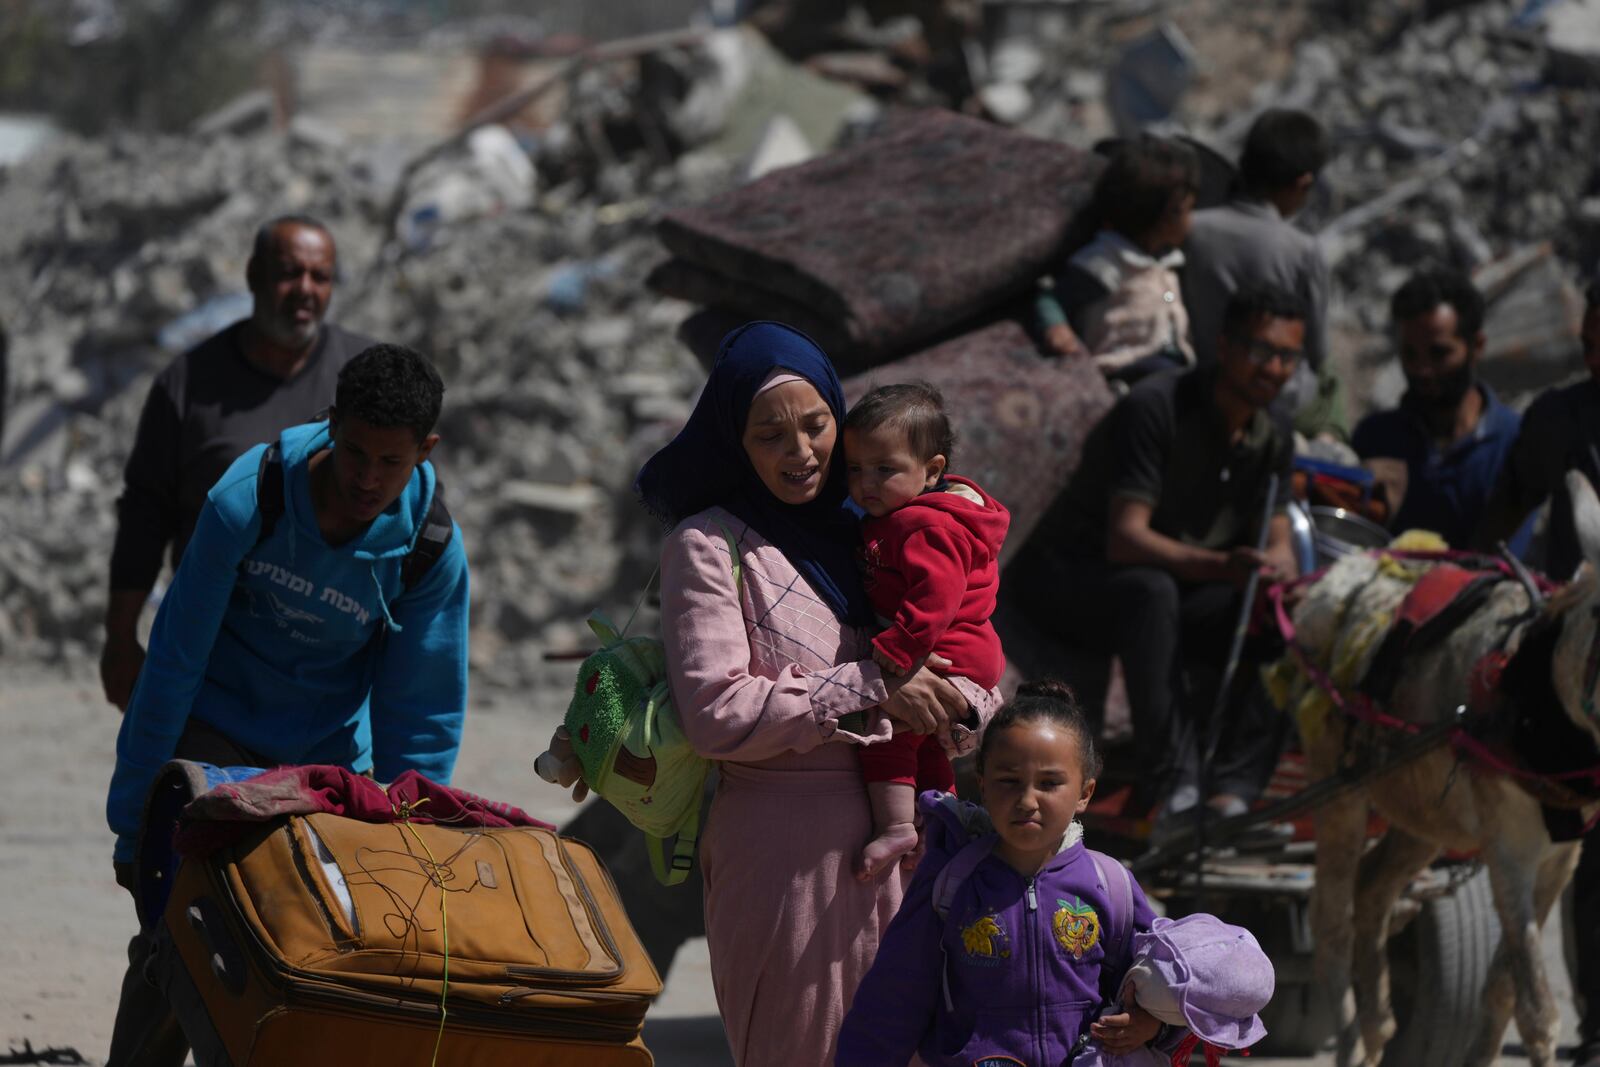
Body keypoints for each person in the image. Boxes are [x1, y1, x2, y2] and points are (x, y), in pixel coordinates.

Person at [543, 321, 1002, 1067]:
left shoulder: (884, 527)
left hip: (917, 844)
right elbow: (718, 715)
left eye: (817, 425)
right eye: (770, 435)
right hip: (789, 857)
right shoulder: (709, 545)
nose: (801, 453)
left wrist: (961, 706)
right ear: (736, 442)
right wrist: (876, 686)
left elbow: (975, 663)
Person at [103, 343, 470, 1067]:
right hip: (217, 733)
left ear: (425, 450)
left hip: (326, 757)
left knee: (310, 946)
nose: (367, 477)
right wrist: (132, 821)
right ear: (330, 423)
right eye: (354, 451)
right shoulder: (249, 499)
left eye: (389, 463)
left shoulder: (428, 550)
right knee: (181, 932)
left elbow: (421, 717)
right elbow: (174, 661)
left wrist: (410, 846)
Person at [1011, 285, 1302, 832]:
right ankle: (1174, 785)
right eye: (1262, 351)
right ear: (1224, 345)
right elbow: (1127, 539)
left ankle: (1235, 792)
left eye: (1288, 356)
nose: (1274, 369)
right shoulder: (1159, 408)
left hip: (1172, 578)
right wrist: (1221, 567)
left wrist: (1276, 568)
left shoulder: (1274, 429)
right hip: (1073, 577)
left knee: (1277, 615)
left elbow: (1279, 530)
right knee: (1151, 591)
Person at [101, 215, 373, 711]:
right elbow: (144, 515)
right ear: (253, 276)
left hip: (329, 672)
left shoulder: (366, 379)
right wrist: (120, 640)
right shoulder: (188, 384)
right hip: (209, 660)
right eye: (290, 273)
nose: (305, 290)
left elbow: (410, 516)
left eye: (321, 276)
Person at [836, 680, 1182, 1066]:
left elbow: (1166, 981)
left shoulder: (1111, 885)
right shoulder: (951, 883)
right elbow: (894, 998)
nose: (1027, 800)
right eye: (1008, 781)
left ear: (1084, 793)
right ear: (982, 785)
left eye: (1050, 783)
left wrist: (1151, 1023)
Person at [1472, 275, 1600, 1067]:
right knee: (1585, 847)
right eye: (1589, 340)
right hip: (1572, 652)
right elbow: (1504, 511)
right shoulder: (1557, 417)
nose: (1594, 354)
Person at [842, 382, 1009, 879]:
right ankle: (939, 814)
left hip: (946, 646)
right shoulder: (898, 515)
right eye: (854, 470)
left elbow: (937, 597)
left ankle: (895, 827)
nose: (866, 484)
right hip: (953, 647)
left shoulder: (925, 525)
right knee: (928, 742)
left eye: (884, 470)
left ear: (932, 470)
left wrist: (899, 648)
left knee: (890, 728)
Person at [1183, 108, 1340, 437]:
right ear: (1303, 183)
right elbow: (1317, 350)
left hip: (1193, 383)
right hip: (1276, 401)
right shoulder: (1302, 251)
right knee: (1330, 382)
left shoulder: (1190, 229)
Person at [1353, 269, 1521, 549]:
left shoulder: (1513, 444)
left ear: (1476, 347)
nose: (1422, 370)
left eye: (1439, 353)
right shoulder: (1376, 438)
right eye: (1410, 355)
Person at [1035, 135, 1201, 388]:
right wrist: (1055, 326)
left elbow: (1163, 300)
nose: (1192, 219)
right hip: (1128, 374)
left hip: (1173, 373)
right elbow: (1052, 298)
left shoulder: (1164, 265)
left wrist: (1167, 301)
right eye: (1187, 210)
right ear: (1164, 215)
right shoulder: (1107, 264)